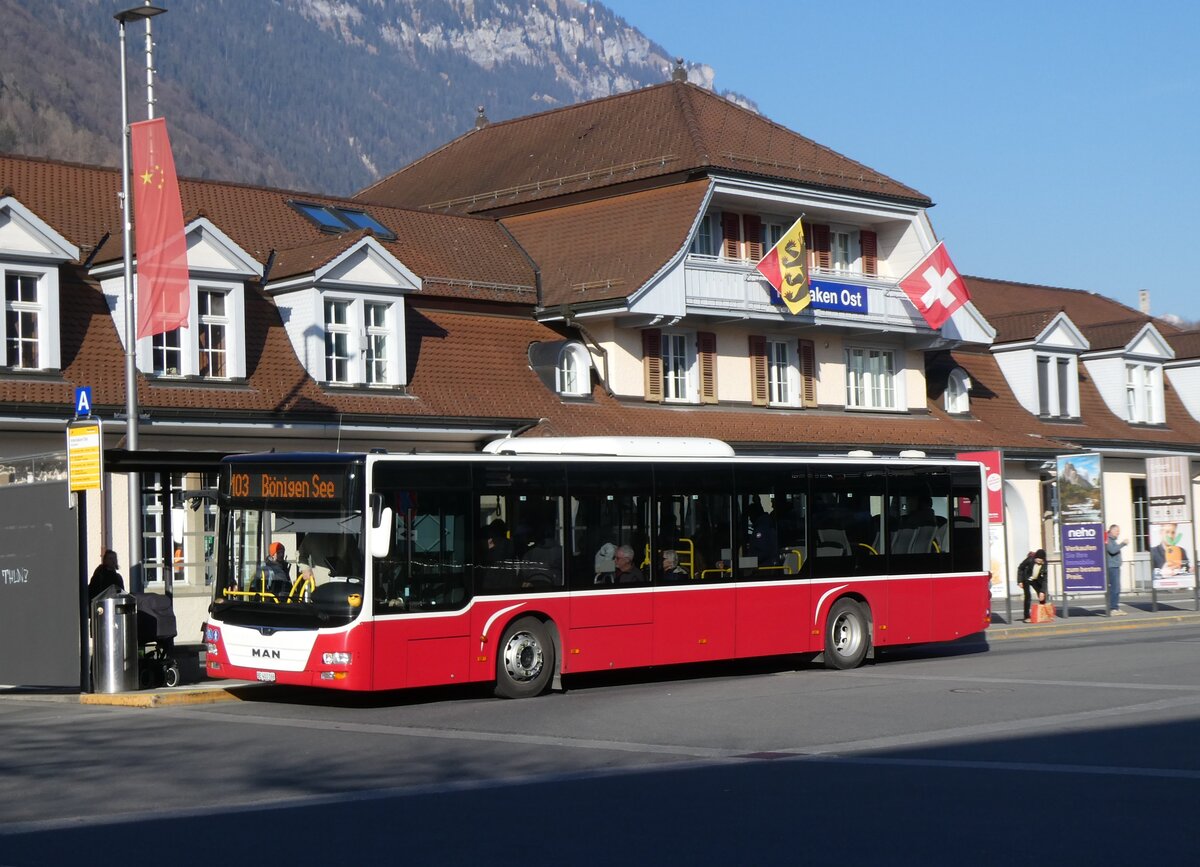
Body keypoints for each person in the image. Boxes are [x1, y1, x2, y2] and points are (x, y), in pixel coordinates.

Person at [1016, 549, 1047, 622]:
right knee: (1028, 596)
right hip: (1027, 578)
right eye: (1038, 560)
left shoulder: (1044, 564)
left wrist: (1042, 591)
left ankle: (1043, 615)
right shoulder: (1029, 560)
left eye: (1041, 561)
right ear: (1035, 558)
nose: (1039, 562)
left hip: (1035, 580)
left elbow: (1045, 579)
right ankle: (1027, 616)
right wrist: (1020, 581)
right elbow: (1020, 568)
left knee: (1041, 595)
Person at [1105, 524, 1128, 615]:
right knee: (1115, 588)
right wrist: (1123, 544)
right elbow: (1112, 550)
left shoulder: (1112, 540)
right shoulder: (1108, 540)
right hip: (1112, 567)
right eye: (1117, 531)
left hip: (1115, 566)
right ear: (1112, 531)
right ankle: (1113, 609)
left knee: (1116, 588)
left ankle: (1115, 607)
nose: (1119, 533)